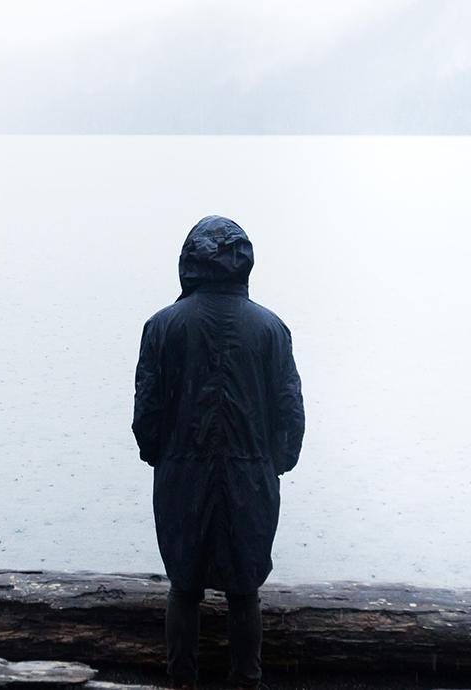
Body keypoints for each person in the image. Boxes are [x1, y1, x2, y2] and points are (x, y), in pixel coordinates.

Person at [132, 215, 305, 689]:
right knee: (244, 591)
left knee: (184, 588)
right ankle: (246, 681)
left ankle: (182, 682)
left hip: (181, 475)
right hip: (251, 477)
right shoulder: (272, 329)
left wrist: (158, 457)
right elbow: (290, 409)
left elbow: (147, 409)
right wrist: (278, 462)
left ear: (188, 262)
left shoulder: (162, 326)